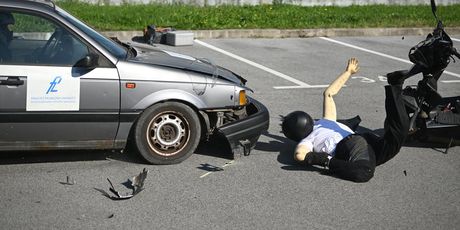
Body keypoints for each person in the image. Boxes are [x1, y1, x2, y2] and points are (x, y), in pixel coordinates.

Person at [282, 58, 410, 182]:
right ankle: (395, 86)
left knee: (364, 172)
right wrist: (348, 72)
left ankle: (331, 162)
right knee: (396, 137)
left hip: (352, 146)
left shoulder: (307, 141)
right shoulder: (325, 121)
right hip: (363, 141)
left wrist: (324, 160)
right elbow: (328, 94)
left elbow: (299, 155)